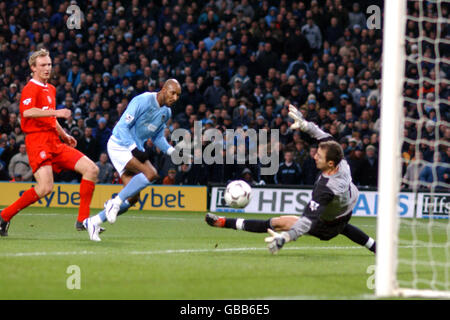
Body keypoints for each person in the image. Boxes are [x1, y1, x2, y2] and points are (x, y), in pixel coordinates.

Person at [205, 104, 376, 255]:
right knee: (342, 226)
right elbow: (321, 135)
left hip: (327, 225)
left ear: (330, 163)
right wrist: (304, 125)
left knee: (276, 223)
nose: (315, 156)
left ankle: (224, 222)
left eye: (319, 156)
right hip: (345, 208)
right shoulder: (339, 157)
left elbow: (307, 221)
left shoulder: (325, 189)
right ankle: (376, 247)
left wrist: (285, 238)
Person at [0, 49, 99, 236]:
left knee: (92, 169)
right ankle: (4, 215)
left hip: (54, 141)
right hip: (37, 142)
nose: (47, 68)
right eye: (43, 65)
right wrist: (57, 112)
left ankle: (83, 220)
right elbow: (27, 112)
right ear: (33, 68)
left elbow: (50, 118)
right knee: (45, 187)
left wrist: (64, 135)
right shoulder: (31, 87)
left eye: (49, 64)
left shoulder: (51, 89)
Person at [82, 79, 181, 241]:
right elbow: (121, 127)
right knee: (151, 174)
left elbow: (157, 136)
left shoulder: (166, 112)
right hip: (120, 145)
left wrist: (172, 151)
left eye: (178, 95)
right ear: (163, 89)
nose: (175, 98)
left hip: (134, 150)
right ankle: (115, 202)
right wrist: (133, 148)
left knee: (133, 198)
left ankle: (94, 221)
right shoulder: (143, 100)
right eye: (173, 93)